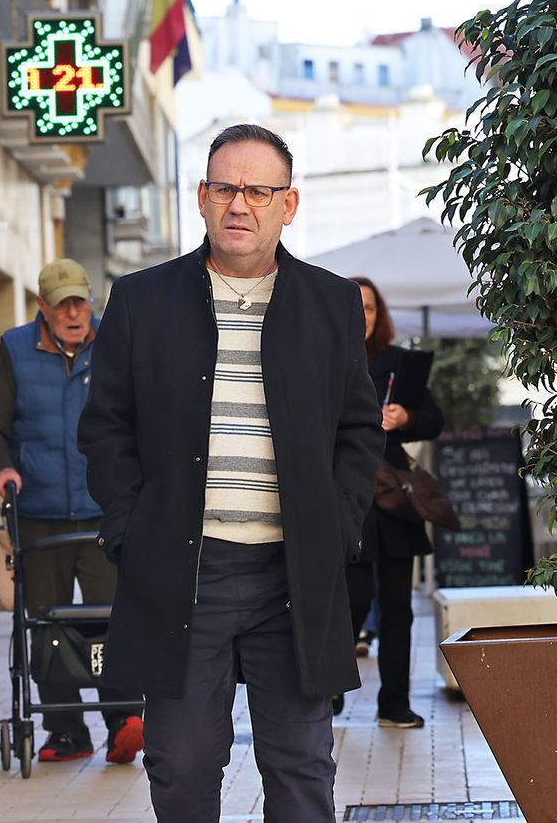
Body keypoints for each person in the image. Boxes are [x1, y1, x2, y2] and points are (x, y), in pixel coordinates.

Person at [80, 123, 384, 823]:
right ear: (201, 196)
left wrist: (333, 527)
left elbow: (357, 429)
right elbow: (106, 426)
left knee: (302, 766)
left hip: (293, 573)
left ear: (289, 203)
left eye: (258, 189)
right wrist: (133, 527)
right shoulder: (142, 299)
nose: (239, 204)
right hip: (187, 569)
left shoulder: (331, 302)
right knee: (182, 764)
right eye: (225, 187)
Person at [0, 258, 144, 764]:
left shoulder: (115, 344)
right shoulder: (14, 350)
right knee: (45, 623)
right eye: (63, 304)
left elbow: (138, 417)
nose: (75, 313)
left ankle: (124, 719)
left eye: (81, 301)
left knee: (113, 618)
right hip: (38, 511)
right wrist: (3, 469)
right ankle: (66, 730)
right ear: (42, 307)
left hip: (103, 509)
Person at [344, 276, 445, 729]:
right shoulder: (324, 360)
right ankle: (328, 692)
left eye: (368, 308)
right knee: (349, 601)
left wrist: (405, 416)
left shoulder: (399, 364)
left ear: (379, 315)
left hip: (392, 501)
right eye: (353, 307)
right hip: (344, 501)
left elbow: (433, 420)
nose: (361, 316)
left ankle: (394, 704)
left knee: (398, 609)